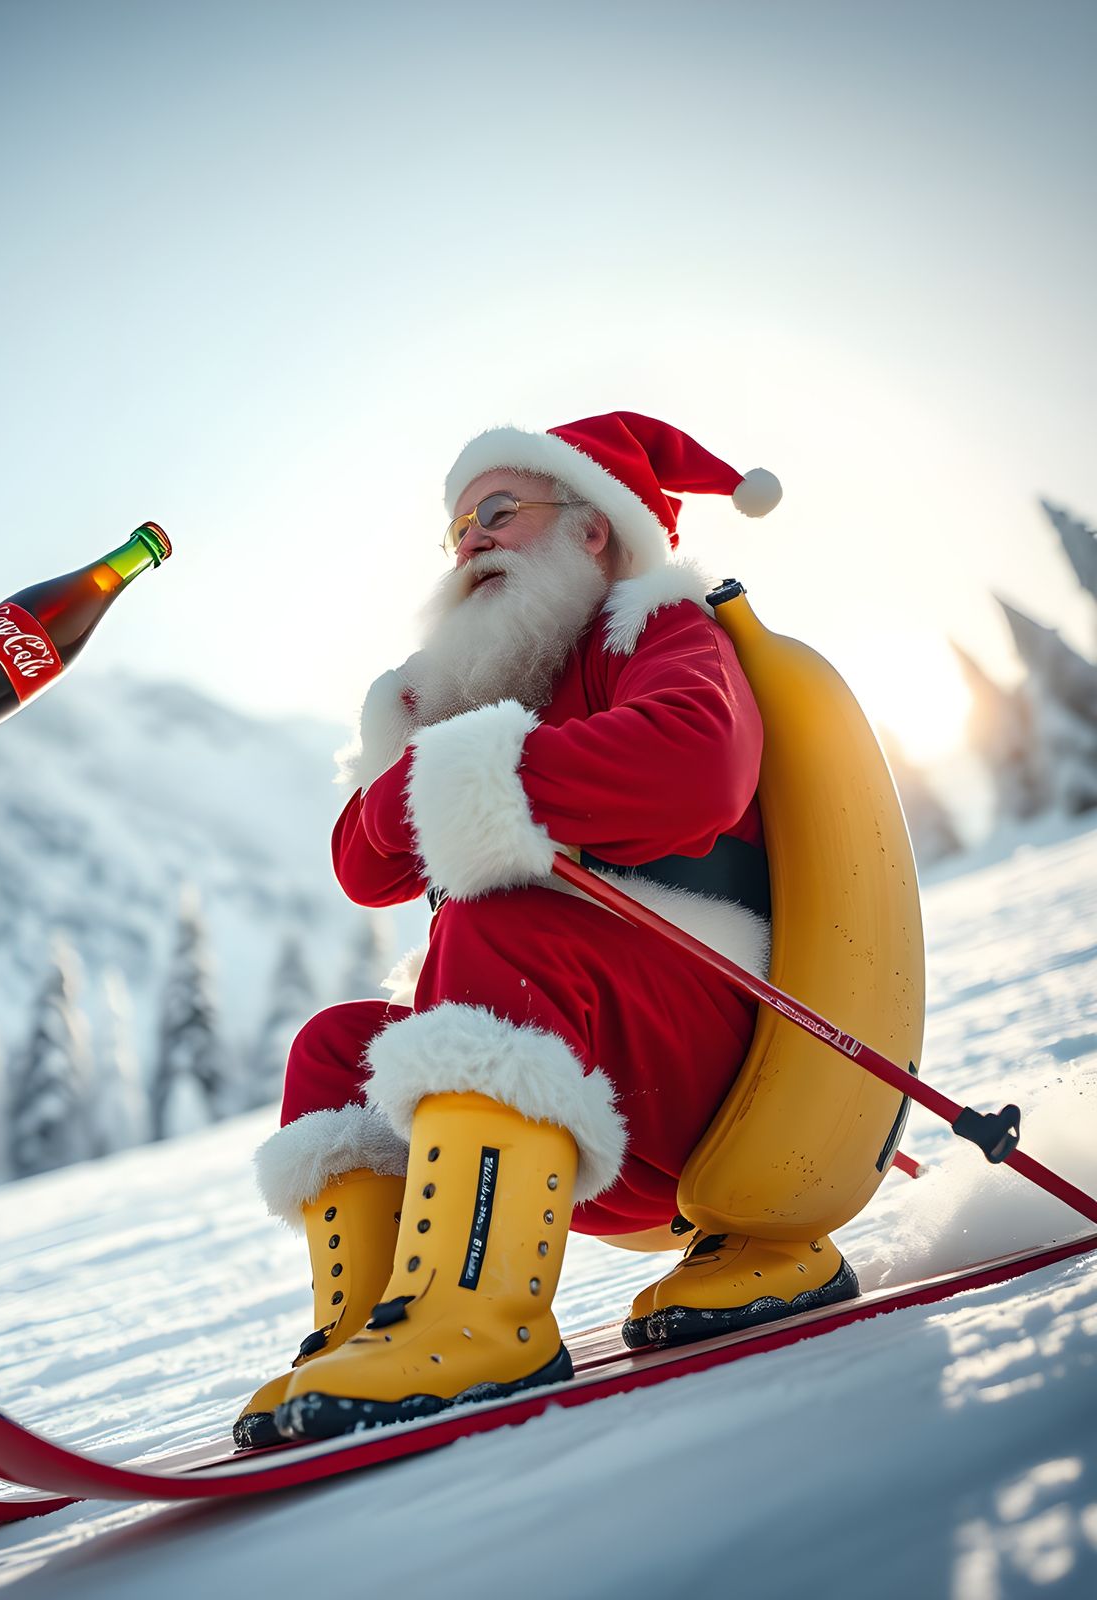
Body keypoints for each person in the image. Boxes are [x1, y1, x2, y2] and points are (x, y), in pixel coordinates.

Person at [236, 411, 852, 1447]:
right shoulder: (495, 686)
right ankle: (366, 1327)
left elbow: (695, 763)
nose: (469, 538)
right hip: (590, 1092)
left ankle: (476, 1320)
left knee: (497, 925)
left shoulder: (656, 631)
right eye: (457, 529)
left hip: (725, 1061)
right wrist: (425, 750)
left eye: (496, 512)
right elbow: (362, 861)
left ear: (591, 530)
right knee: (338, 1049)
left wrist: (465, 774)